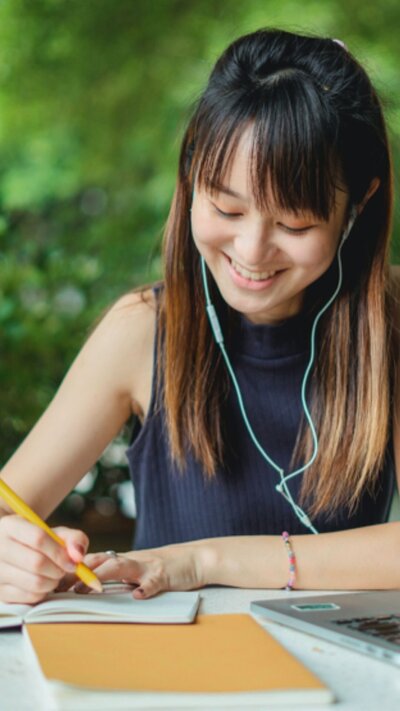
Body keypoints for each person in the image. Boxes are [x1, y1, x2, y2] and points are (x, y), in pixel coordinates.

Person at [1, 27, 399, 605]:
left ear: (356, 207)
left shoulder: (389, 329)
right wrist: (15, 554)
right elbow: (10, 506)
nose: (252, 251)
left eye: (294, 225)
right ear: (189, 178)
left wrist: (205, 560)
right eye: (225, 207)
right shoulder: (142, 331)